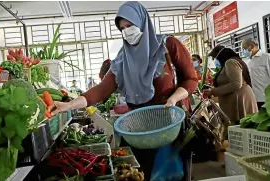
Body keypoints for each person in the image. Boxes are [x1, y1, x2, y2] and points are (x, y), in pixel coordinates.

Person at [52, 2, 198, 180]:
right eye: (122, 28)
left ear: (142, 21)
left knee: (173, 174)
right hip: (141, 131)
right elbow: (101, 90)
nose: (126, 31)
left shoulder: (167, 45)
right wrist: (69, 105)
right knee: (148, 173)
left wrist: (174, 98)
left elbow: (191, 79)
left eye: (130, 26)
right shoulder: (122, 59)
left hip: (170, 126)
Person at [203, 45, 258, 128]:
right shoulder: (229, 63)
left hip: (239, 100)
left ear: (221, 55)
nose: (215, 61)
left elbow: (236, 84)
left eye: (215, 58)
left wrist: (214, 91)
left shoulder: (230, 62)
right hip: (237, 99)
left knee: (240, 128)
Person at [242, 38, 270, 110]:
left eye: (244, 48)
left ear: (251, 46)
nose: (243, 51)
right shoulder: (248, 62)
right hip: (254, 99)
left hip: (266, 99)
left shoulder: (266, 57)